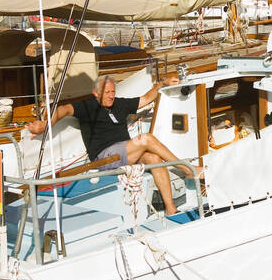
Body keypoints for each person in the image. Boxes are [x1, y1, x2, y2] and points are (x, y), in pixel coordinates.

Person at [26, 74, 198, 215]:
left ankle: (171, 209)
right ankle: (187, 169)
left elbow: (145, 99)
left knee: (154, 157)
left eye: (112, 91)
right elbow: (62, 110)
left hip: (125, 152)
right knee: (145, 139)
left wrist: (161, 83)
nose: (110, 95)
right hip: (105, 158)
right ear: (96, 93)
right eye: (106, 92)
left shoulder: (119, 104)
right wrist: (45, 124)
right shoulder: (87, 106)